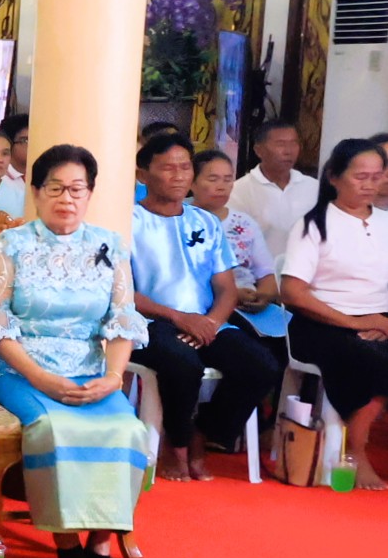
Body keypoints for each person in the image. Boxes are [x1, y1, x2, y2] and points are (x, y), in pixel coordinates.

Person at [0, 145, 149, 558]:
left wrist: (113, 376)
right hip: (21, 369)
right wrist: (40, 377)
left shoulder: (111, 245)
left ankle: (102, 540)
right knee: (55, 427)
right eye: (55, 188)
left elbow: (123, 319)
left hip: (90, 369)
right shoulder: (12, 244)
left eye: (76, 189)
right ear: (36, 192)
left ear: (89, 194)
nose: (66, 198)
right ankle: (66, 540)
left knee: (128, 429)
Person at [132, 132, 280, 480]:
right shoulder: (129, 222)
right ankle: (177, 443)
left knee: (261, 365)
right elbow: (123, 292)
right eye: (168, 168)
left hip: (207, 320)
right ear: (143, 175)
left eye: (185, 167)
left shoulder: (206, 222)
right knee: (183, 363)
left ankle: (204, 433)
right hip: (150, 320)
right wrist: (180, 318)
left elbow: (226, 289)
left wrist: (210, 323)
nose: (179, 176)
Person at [281, 138, 388, 489]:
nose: (369, 185)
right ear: (333, 177)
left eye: (376, 176)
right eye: (360, 177)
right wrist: (356, 323)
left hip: (379, 320)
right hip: (321, 321)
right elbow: (293, 293)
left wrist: (381, 323)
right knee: (369, 359)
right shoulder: (314, 225)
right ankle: (355, 454)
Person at [191, 146, 290, 357]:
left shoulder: (244, 223)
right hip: (209, 307)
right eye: (213, 179)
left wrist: (262, 295)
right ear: (192, 182)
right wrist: (233, 295)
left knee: (294, 341)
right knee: (256, 355)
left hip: (249, 305)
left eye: (228, 180)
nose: (222, 187)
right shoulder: (182, 219)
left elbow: (266, 273)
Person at [231, 118, 321, 263]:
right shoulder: (239, 191)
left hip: (306, 275)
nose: (288, 151)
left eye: (294, 143)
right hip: (260, 278)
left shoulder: (314, 188)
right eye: (280, 144)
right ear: (258, 150)